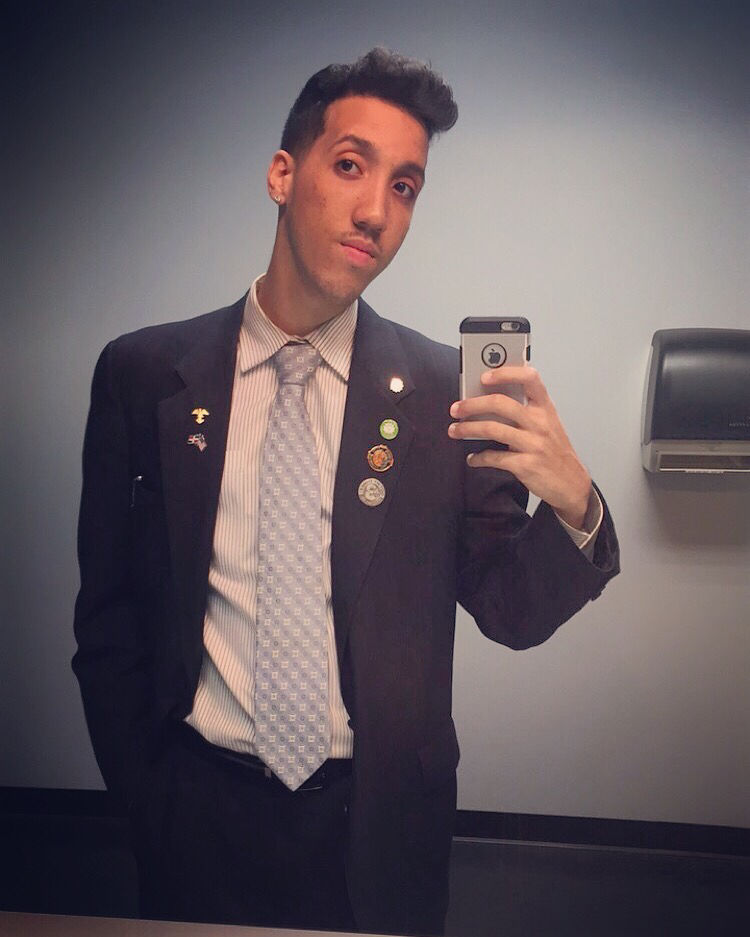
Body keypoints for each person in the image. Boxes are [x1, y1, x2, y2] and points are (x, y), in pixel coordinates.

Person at [73, 48, 619, 937]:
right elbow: (109, 617)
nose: (376, 211)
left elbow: (511, 611)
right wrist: (147, 797)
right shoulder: (145, 375)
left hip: (379, 829)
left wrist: (574, 505)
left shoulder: (446, 397)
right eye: (351, 165)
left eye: (405, 186)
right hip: (195, 812)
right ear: (283, 175)